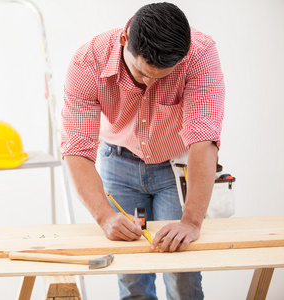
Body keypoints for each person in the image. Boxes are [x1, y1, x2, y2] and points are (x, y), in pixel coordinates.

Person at [61, 2, 225, 299]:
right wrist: (104, 217)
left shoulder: (200, 54)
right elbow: (77, 148)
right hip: (117, 162)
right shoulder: (87, 62)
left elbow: (203, 138)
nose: (150, 84)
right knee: (132, 276)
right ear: (124, 38)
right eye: (141, 73)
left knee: (183, 274)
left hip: (175, 165)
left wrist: (191, 221)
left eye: (161, 77)